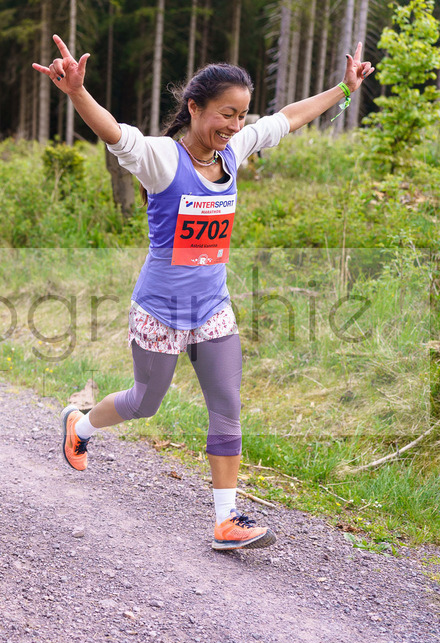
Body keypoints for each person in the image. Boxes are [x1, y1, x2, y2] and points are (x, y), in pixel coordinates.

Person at [35, 37, 374, 551]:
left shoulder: (233, 153)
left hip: (213, 308)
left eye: (240, 116)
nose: (235, 127)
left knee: (226, 404)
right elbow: (114, 133)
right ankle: (80, 425)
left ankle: (225, 520)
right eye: (224, 115)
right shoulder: (161, 160)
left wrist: (343, 89)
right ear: (194, 108)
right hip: (160, 310)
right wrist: (78, 93)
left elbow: (288, 117)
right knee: (145, 402)